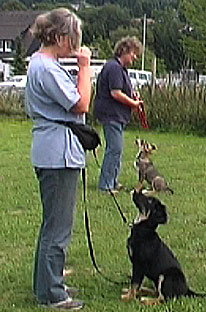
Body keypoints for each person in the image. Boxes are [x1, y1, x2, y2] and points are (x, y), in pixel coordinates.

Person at [25, 8, 91, 310]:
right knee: (59, 227)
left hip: (52, 149)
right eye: (73, 39)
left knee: (51, 224)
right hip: (57, 155)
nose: (75, 46)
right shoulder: (47, 68)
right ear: (61, 37)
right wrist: (85, 66)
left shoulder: (40, 64)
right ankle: (54, 294)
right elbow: (81, 103)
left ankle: (46, 284)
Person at [94, 36, 143, 193]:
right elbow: (115, 93)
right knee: (114, 149)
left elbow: (123, 89)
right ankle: (106, 184)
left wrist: (133, 94)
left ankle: (113, 181)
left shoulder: (120, 69)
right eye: (134, 54)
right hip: (111, 115)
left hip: (117, 116)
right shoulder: (114, 68)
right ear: (124, 51)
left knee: (117, 149)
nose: (135, 58)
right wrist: (133, 104)